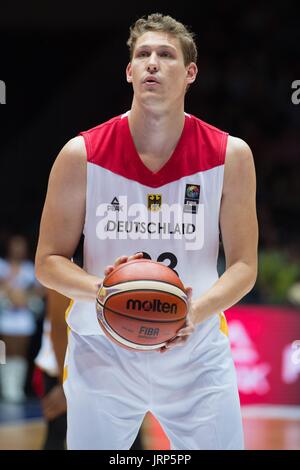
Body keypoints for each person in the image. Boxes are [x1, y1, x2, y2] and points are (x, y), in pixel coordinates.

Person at [35, 13, 258, 450]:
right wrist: (101, 288)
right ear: (129, 71)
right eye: (143, 54)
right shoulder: (81, 154)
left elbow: (245, 265)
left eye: (166, 54)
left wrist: (193, 311)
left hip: (196, 353)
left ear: (190, 72)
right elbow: (48, 262)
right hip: (102, 351)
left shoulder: (230, 155)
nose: (152, 62)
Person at [0, 235, 44, 402]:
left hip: (23, 316)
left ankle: (16, 388)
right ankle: (6, 387)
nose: (17, 249)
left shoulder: (28, 267)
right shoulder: (2, 265)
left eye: (21, 246)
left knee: (21, 352)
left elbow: (40, 290)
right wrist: (11, 292)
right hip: (6, 314)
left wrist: (25, 297)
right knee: (5, 350)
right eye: (14, 245)